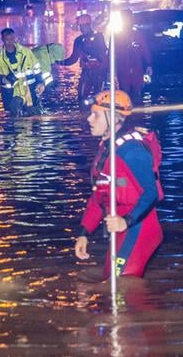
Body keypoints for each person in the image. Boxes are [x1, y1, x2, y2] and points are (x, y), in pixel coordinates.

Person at [74, 90, 163, 278]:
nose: (89, 119)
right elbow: (100, 194)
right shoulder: (106, 149)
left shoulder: (131, 151)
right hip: (121, 227)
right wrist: (84, 232)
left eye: (95, 114)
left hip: (138, 227)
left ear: (113, 118)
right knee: (111, 279)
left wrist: (126, 221)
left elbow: (151, 193)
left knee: (120, 285)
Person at [0, 28, 45, 116]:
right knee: (15, 121)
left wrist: (40, 83)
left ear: (15, 38)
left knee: (36, 119)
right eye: (7, 40)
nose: (10, 42)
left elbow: (37, 69)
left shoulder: (26, 53)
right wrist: (3, 79)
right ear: (3, 40)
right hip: (12, 96)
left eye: (11, 39)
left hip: (30, 93)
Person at [56, 14, 108, 103]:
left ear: (88, 25)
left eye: (83, 26)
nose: (81, 29)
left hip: (99, 72)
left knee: (99, 98)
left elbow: (102, 53)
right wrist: (60, 62)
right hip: (86, 73)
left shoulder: (99, 37)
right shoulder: (79, 40)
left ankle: (96, 114)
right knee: (81, 98)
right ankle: (83, 113)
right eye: (80, 26)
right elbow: (73, 59)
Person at [115, 10, 152, 103]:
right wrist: (109, 71)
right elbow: (111, 55)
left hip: (137, 68)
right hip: (123, 69)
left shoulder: (138, 34)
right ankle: (129, 114)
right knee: (125, 93)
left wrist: (149, 65)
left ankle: (137, 114)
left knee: (136, 93)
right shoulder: (116, 36)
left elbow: (145, 50)